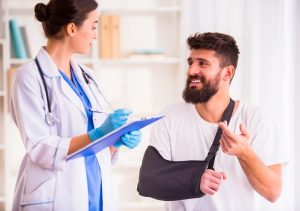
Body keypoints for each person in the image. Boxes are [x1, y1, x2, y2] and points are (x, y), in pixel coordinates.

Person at [10, 0, 142, 210]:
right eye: (93, 26)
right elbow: (39, 147)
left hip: (96, 191)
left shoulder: (88, 77)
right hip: (57, 195)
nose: (96, 35)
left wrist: (114, 142)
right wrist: (97, 134)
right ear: (72, 28)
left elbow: (94, 150)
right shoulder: (28, 77)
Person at [149, 32, 287, 211]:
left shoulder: (256, 119)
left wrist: (245, 153)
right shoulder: (169, 117)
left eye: (203, 64)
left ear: (227, 73)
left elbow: (273, 192)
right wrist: (193, 178)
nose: (192, 71)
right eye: (190, 63)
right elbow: (152, 181)